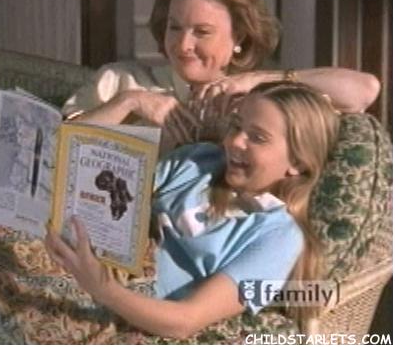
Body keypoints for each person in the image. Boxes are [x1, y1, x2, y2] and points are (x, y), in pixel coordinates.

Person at [46, 81, 340, 339]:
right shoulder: (198, 161)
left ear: (297, 162)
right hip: (96, 258)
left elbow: (186, 321)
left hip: (121, 303)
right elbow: (92, 185)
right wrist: (128, 101)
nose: (235, 141)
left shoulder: (279, 236)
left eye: (258, 137)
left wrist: (102, 287)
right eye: (236, 126)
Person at [62, 0, 379, 151]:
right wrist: (130, 102)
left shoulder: (261, 98)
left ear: (239, 34)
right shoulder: (122, 80)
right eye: (175, 27)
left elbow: (364, 90)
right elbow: (58, 151)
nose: (183, 45)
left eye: (201, 32)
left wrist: (256, 80)